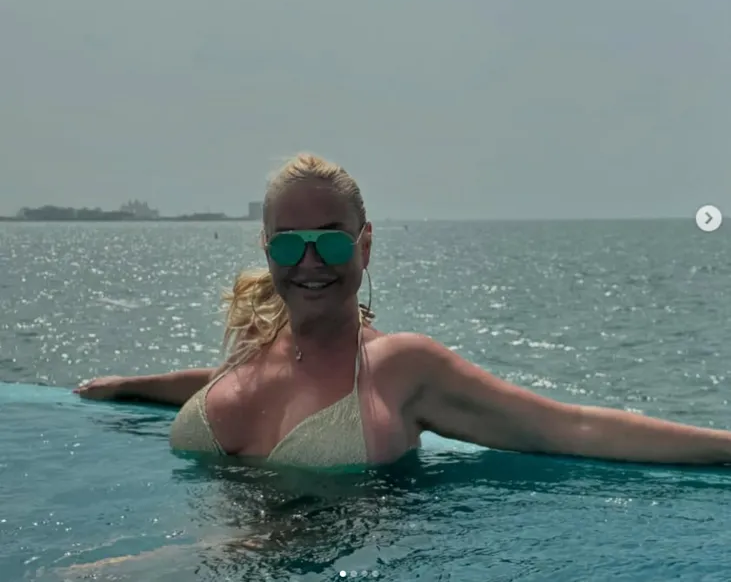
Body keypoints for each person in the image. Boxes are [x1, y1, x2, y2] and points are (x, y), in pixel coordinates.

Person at [76, 152, 731, 468]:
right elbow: (230, 383)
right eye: (290, 244)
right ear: (267, 248)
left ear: (364, 244)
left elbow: (568, 427)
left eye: (332, 240)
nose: (311, 261)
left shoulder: (400, 369)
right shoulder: (257, 342)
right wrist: (128, 385)